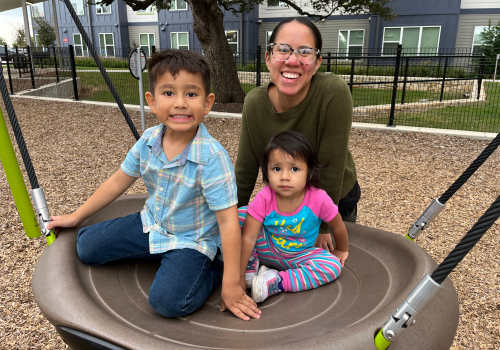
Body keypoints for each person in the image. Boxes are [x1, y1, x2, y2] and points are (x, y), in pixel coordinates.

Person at [47, 49, 260, 321]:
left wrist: (232, 284)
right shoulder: (148, 141)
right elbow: (117, 181)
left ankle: (212, 269)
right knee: (86, 246)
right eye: (169, 93)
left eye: (191, 94)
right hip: (153, 224)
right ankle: (160, 255)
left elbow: (228, 222)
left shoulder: (212, 158)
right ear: (152, 101)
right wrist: (76, 216)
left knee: (167, 302)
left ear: (207, 103)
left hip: (192, 240)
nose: (180, 103)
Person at [236, 17, 360, 253]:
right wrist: (231, 220)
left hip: (332, 200)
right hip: (284, 198)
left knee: (328, 271)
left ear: (316, 63)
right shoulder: (254, 103)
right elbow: (245, 170)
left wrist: (323, 226)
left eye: (304, 52)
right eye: (283, 49)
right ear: (268, 57)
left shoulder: (332, 93)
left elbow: (330, 167)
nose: (293, 60)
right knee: (280, 260)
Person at [238, 131, 349, 303]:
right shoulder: (265, 196)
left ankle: (276, 281)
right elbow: (249, 237)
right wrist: (238, 276)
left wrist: (341, 249)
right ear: (267, 172)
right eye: (276, 169)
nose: (284, 177)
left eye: (294, 169)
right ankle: (250, 267)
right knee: (241, 214)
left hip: (298, 255)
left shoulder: (319, 199)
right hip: (266, 247)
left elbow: (337, 224)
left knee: (332, 266)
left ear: (309, 172)